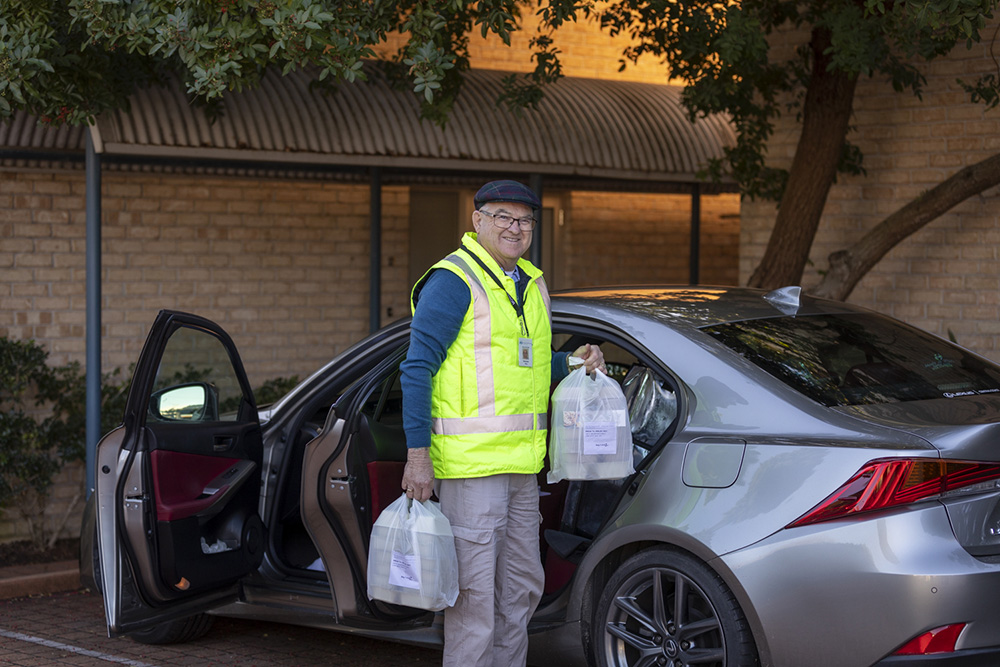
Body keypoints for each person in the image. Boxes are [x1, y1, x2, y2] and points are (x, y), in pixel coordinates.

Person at [399, 180, 605, 667]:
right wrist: (416, 456)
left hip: (520, 469)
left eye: (525, 220)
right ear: (477, 221)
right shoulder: (455, 279)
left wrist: (577, 364)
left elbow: (528, 367)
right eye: (503, 217)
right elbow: (416, 368)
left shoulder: (528, 282)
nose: (515, 228)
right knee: (474, 603)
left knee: (519, 593)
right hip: (471, 473)